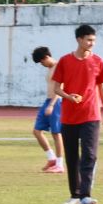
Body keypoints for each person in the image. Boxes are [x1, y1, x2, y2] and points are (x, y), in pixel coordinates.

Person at [47, 24, 103, 204]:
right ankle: (74, 195)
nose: (92, 43)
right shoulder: (65, 61)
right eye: (88, 40)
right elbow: (57, 88)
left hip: (91, 114)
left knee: (90, 155)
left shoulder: (98, 61)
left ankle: (85, 195)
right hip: (69, 116)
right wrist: (69, 97)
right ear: (79, 40)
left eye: (93, 40)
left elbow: (102, 88)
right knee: (72, 156)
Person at [30, 46, 64, 174]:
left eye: (41, 62)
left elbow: (61, 87)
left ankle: (60, 165)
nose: (42, 65)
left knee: (56, 133)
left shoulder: (59, 67)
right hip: (48, 101)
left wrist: (52, 105)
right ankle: (51, 158)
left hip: (56, 102)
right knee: (37, 131)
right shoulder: (50, 68)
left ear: (46, 57)